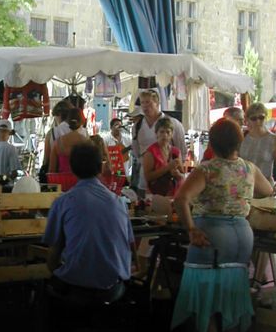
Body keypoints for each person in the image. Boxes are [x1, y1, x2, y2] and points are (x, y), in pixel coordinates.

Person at [171, 118, 274, 332]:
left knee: (204, 304)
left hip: (212, 236)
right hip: (242, 237)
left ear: (213, 144)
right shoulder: (249, 168)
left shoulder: (207, 170)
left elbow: (181, 199)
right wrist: (240, 195)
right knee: (231, 304)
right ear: (239, 142)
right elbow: (268, 190)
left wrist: (191, 229)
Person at [43, 142, 133, 303]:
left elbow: (53, 256)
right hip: (114, 288)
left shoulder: (63, 202)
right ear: (100, 167)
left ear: (72, 168)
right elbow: (129, 245)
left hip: (76, 288)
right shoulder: (118, 202)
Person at [131, 89, 186, 195]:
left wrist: (176, 170)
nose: (145, 106)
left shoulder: (173, 124)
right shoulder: (137, 126)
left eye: (148, 102)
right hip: (145, 179)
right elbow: (136, 151)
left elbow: (181, 150)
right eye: (142, 103)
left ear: (157, 103)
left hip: (169, 181)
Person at [240, 102, 276, 188]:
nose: (258, 121)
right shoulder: (241, 138)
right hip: (244, 187)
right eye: (253, 118)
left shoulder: (274, 140)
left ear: (266, 117)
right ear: (247, 119)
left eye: (261, 117)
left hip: (266, 187)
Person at [143, 116, 185, 196]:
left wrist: (178, 174)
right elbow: (148, 177)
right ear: (156, 133)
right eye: (161, 132)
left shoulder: (176, 152)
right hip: (155, 194)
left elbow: (182, 174)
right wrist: (167, 168)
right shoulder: (150, 152)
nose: (165, 135)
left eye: (168, 132)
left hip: (173, 193)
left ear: (172, 134)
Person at [49, 107, 87, 173]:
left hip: (63, 180)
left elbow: (51, 171)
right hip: (82, 181)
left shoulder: (58, 143)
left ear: (67, 121)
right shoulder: (87, 142)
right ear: (82, 121)